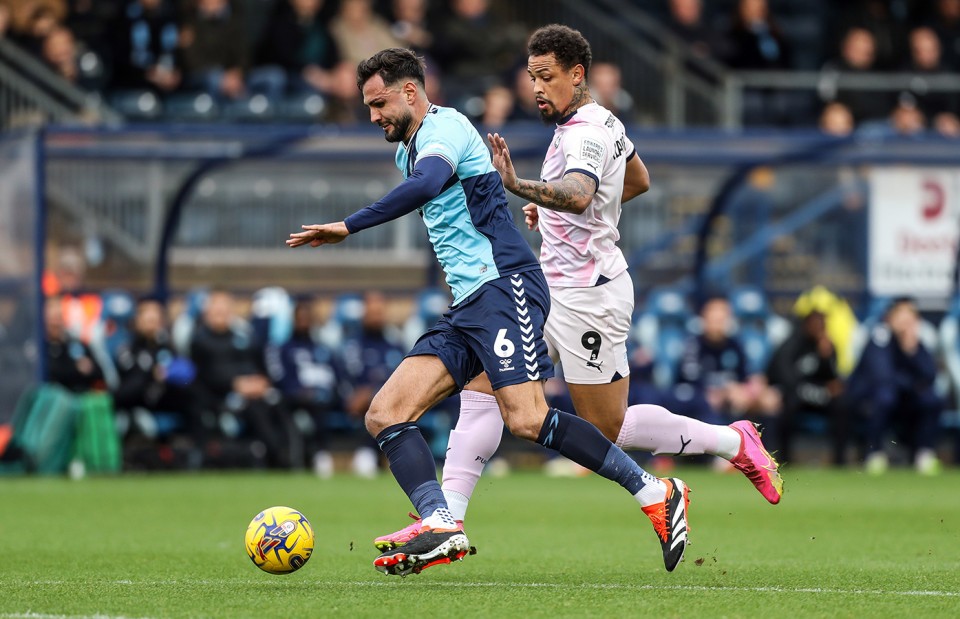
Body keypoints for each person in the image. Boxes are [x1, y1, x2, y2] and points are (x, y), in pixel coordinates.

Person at [375, 25, 783, 562]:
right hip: (543, 284)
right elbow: (636, 179)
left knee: (604, 429)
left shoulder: (587, 133)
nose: (537, 89)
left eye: (546, 77)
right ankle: (444, 521)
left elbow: (581, 191)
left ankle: (732, 443)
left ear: (577, 74)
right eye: (531, 78)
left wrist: (528, 189)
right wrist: (561, 212)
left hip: (590, 295)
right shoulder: (592, 125)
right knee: (484, 391)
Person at [288, 46, 691, 576]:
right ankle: (439, 523)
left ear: (411, 92)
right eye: (367, 107)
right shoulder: (407, 150)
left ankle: (654, 491)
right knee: (385, 413)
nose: (373, 117)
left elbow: (429, 184)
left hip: (507, 288)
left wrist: (349, 224)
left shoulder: (446, 130)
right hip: (470, 305)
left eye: (379, 103)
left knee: (526, 419)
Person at [190, 290, 296, 469]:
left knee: (280, 403)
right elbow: (205, 375)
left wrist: (261, 382)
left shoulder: (244, 337)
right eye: (216, 307)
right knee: (255, 409)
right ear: (207, 310)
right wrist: (236, 384)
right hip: (220, 398)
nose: (220, 312)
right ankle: (277, 457)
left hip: (253, 392)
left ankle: (296, 455)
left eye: (224, 307)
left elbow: (259, 365)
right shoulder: (200, 341)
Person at [847, 297, 943, 475]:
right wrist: (913, 383)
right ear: (890, 318)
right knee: (885, 397)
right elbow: (883, 377)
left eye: (911, 317)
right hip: (869, 399)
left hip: (903, 399)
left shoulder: (914, 343)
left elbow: (930, 375)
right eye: (902, 316)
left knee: (931, 399)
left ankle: (924, 453)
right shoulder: (879, 338)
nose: (906, 322)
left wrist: (911, 351)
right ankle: (874, 453)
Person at [112, 296, 205, 450]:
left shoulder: (166, 346)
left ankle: (199, 455)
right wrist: (151, 374)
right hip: (137, 402)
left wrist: (174, 375)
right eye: (147, 317)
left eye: (155, 318)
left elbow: (186, 376)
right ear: (137, 320)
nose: (152, 322)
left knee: (195, 398)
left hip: (163, 398)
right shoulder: (127, 349)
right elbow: (124, 392)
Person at [267, 298, 341, 477]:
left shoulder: (323, 349)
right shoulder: (284, 349)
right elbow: (280, 379)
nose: (303, 322)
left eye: (307, 318)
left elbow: (338, 377)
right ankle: (302, 457)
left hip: (324, 398)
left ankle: (323, 454)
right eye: (300, 318)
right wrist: (300, 392)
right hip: (295, 399)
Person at [338, 290, 406, 478]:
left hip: (394, 401)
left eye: (380, 312)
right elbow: (345, 377)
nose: (376, 317)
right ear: (364, 313)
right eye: (372, 312)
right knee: (369, 402)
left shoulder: (395, 345)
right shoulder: (352, 345)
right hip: (358, 402)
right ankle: (366, 454)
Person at [766, 309, 846, 465]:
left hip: (818, 396)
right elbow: (785, 378)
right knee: (787, 406)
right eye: (815, 322)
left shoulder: (827, 346)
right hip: (796, 395)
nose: (819, 326)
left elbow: (833, 380)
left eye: (822, 322)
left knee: (842, 405)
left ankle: (840, 461)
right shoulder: (792, 345)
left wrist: (826, 358)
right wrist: (817, 391)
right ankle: (784, 459)